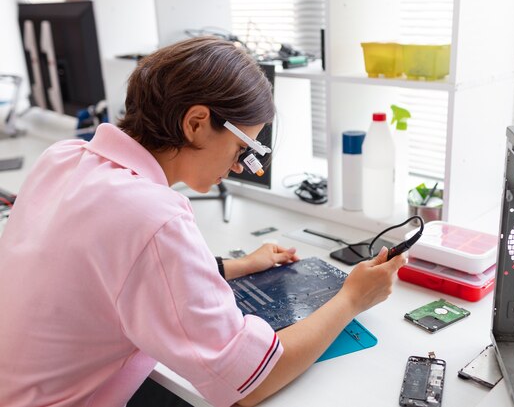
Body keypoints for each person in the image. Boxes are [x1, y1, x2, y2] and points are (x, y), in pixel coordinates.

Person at [0, 36, 405, 407]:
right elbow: (248, 382)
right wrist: (352, 299)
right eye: (242, 147)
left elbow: (110, 273)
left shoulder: (65, 156)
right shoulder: (153, 217)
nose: (243, 166)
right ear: (195, 123)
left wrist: (238, 266)